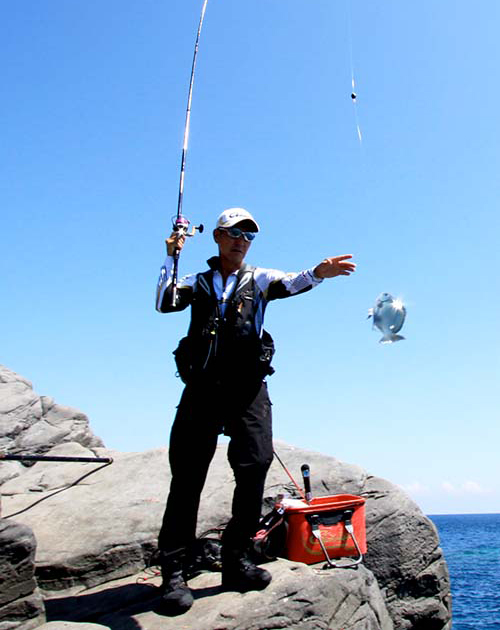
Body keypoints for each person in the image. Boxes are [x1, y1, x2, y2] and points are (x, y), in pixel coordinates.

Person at [155, 207, 356, 615]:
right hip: (201, 392)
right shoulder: (197, 282)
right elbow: (164, 303)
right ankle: (174, 572)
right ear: (217, 236)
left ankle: (237, 558)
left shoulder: (259, 279)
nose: (241, 241)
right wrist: (171, 256)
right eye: (233, 234)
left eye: (248, 236)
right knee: (187, 477)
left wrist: (319, 272)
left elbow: (292, 282)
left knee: (255, 465)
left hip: (248, 390)